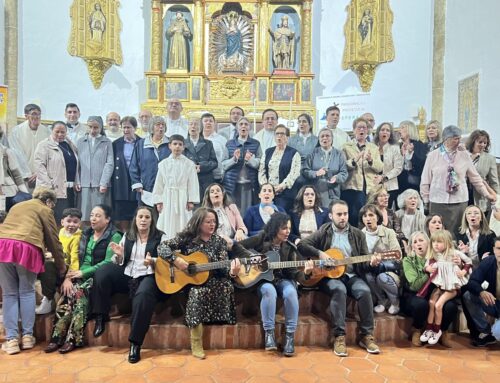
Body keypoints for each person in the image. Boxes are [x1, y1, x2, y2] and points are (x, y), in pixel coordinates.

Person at [157, 207, 250, 358]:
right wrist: (177, 260)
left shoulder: (219, 241)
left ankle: (214, 319)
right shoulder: (187, 239)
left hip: (214, 279)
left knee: (226, 285)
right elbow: (161, 247)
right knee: (197, 292)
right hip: (192, 282)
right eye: (208, 221)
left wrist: (232, 272)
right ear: (199, 222)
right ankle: (196, 342)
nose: (212, 224)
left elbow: (223, 269)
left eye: (214, 221)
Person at [298, 200, 381, 356]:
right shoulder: (324, 230)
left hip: (352, 275)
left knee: (364, 291)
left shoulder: (358, 234)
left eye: (346, 214)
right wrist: (320, 253)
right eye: (339, 214)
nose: (343, 217)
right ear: (331, 215)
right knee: (339, 289)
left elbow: (363, 263)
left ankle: (367, 335)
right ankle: (339, 336)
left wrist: (372, 263)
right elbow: (302, 245)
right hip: (330, 276)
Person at [90, 206, 166, 363]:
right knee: (102, 273)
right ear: (135, 219)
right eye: (140, 217)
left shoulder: (160, 237)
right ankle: (101, 316)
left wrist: (153, 261)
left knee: (143, 295)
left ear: (152, 220)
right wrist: (118, 255)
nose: (143, 220)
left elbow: (166, 261)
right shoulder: (128, 235)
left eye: (147, 217)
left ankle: (135, 343)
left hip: (149, 274)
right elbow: (119, 261)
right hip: (128, 273)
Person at [44, 204, 121, 354]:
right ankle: (56, 338)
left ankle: (73, 339)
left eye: (98, 216)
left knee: (79, 295)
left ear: (107, 219)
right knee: (66, 295)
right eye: (92, 215)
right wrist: (68, 278)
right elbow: (75, 258)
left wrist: (83, 274)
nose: (93, 218)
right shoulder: (85, 234)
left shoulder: (114, 235)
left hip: (98, 276)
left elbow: (108, 262)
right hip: (77, 272)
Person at [0, 188, 67, 355]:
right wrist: (61, 266)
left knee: (9, 294)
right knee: (27, 292)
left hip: (3, 245)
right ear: (50, 202)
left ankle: (12, 340)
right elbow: (53, 239)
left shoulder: (17, 207)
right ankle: (28, 337)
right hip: (26, 248)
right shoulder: (45, 209)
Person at [240, 213, 311, 356]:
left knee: (291, 292)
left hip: (282, 279)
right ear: (274, 228)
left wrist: (307, 273)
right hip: (263, 280)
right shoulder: (261, 238)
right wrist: (253, 259)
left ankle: (290, 337)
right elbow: (238, 247)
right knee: (269, 291)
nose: (287, 232)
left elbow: (293, 273)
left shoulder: (289, 247)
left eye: (289, 228)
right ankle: (269, 334)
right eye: (284, 228)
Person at [421, 125, 496, 237]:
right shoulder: (433, 155)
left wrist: (487, 194)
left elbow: (475, 178)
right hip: (438, 200)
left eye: (459, 138)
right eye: (456, 138)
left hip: (459, 201)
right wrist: (426, 201)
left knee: (458, 233)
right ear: (447, 139)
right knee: (440, 234)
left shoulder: (464, 155)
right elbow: (425, 180)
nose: (459, 141)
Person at [401, 231, 458, 347]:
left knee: (451, 306)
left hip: (435, 293)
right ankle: (416, 330)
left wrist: (458, 263)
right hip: (414, 295)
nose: (418, 244)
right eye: (415, 242)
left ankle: (442, 331)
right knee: (422, 305)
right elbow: (415, 286)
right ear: (412, 247)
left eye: (421, 240)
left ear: (429, 243)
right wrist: (428, 273)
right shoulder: (408, 261)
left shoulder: (438, 258)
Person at [419, 230, 472, 345]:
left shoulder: (454, 253)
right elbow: (426, 266)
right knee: (431, 302)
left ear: (447, 243)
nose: (435, 245)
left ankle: (437, 330)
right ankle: (429, 328)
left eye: (439, 242)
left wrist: (463, 271)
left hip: (452, 287)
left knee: (438, 305)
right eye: (433, 242)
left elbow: (468, 262)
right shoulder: (435, 255)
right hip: (440, 285)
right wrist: (427, 269)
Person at [36, 207, 83, 316]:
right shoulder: (61, 232)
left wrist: (69, 278)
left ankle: (48, 299)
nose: (71, 224)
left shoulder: (78, 237)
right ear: (62, 222)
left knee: (48, 266)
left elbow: (75, 260)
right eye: (68, 221)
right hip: (59, 264)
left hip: (70, 269)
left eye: (75, 222)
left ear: (80, 223)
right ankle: (47, 298)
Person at [153, 134, 199, 238]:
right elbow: (159, 183)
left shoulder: (189, 164)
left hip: (183, 197)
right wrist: (158, 201)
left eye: (180, 144)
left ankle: (183, 245)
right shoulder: (163, 164)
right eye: (175, 144)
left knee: (183, 222)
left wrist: (191, 200)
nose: (177, 146)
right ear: (170, 146)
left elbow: (193, 183)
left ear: (183, 147)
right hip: (167, 197)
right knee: (166, 222)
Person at [359, 204, 401, 314]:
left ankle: (394, 302)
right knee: (367, 276)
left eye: (371, 215)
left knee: (382, 277)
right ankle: (382, 301)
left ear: (377, 217)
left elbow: (398, 255)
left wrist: (381, 260)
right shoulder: (359, 235)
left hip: (388, 270)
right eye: (364, 216)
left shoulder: (388, 232)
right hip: (369, 268)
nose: (368, 218)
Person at [342, 117, 383, 226]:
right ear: (354, 130)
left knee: (369, 216)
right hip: (353, 187)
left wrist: (370, 161)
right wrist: (355, 160)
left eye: (364, 128)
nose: (362, 130)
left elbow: (379, 167)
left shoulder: (373, 148)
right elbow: (343, 166)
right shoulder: (346, 147)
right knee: (355, 217)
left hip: (370, 188)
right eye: (359, 127)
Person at [34, 121, 79, 221]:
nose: (60, 134)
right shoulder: (44, 145)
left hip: (70, 190)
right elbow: (39, 167)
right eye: (57, 132)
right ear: (51, 131)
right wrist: (49, 186)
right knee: (56, 220)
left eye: (63, 132)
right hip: (54, 189)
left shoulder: (69, 145)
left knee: (68, 219)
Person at [462, 236, 500, 347]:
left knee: (498, 333)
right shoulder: (488, 262)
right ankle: (486, 331)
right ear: (494, 250)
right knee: (468, 295)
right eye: (499, 248)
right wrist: (481, 292)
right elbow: (472, 281)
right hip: (494, 303)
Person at [76, 116, 114, 223]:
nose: (93, 130)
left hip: (101, 185)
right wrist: (77, 181)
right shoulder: (80, 142)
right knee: (85, 216)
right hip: (84, 184)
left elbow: (109, 163)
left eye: (96, 127)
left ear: (101, 128)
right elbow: (77, 163)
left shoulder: (106, 142)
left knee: (100, 215)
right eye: (90, 127)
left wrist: (104, 182)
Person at [222, 116, 261, 213]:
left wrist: (251, 160)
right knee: (232, 212)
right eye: (241, 124)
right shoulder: (229, 144)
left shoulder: (256, 144)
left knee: (247, 212)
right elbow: (223, 164)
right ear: (237, 128)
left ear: (249, 127)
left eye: (246, 124)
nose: (243, 126)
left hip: (250, 185)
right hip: (232, 185)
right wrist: (234, 159)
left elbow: (260, 163)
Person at [258, 124, 301, 211]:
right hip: (268, 194)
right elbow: (261, 170)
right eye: (277, 134)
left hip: (285, 194)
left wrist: (281, 186)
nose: (279, 136)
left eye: (282, 134)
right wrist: (266, 187)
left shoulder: (294, 153)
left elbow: (294, 173)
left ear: (287, 137)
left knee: (281, 218)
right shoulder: (268, 151)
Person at [129, 116, 171, 205]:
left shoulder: (170, 143)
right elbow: (133, 165)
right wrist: (137, 184)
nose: (161, 127)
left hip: (167, 188)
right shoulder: (141, 144)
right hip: (145, 189)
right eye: (158, 125)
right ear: (152, 127)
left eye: (163, 125)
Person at [303, 128, 348, 206]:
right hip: (316, 192)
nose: (325, 138)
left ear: (332, 138)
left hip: (333, 192)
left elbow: (344, 172)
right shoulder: (312, 153)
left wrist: (337, 177)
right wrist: (316, 173)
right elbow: (304, 170)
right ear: (319, 139)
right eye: (322, 136)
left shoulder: (339, 154)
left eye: (327, 136)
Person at [8, 103, 51, 184]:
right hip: (23, 177)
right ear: (26, 116)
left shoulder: (47, 132)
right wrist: (27, 174)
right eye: (33, 114)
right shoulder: (16, 132)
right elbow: (17, 155)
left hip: (43, 176)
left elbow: (49, 155)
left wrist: (38, 172)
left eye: (39, 114)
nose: (37, 116)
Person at [111, 116, 140, 232]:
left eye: (129, 127)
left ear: (135, 128)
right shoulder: (116, 143)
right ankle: (124, 235)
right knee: (121, 213)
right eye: (124, 127)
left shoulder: (142, 143)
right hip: (121, 182)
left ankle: (134, 235)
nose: (126, 130)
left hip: (136, 181)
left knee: (135, 211)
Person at [184, 117, 218, 204]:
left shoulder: (208, 144)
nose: (193, 127)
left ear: (200, 128)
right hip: (188, 181)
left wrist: (201, 166)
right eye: (191, 124)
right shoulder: (182, 143)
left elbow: (214, 163)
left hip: (205, 181)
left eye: (196, 124)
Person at [466, 130, 499, 214]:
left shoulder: (489, 159)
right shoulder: (463, 155)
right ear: (473, 141)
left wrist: (497, 197)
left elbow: (494, 181)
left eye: (485, 143)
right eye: (480, 142)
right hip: (463, 193)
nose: (483, 145)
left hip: (480, 196)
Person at [373, 122, 403, 209]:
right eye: (382, 130)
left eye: (388, 130)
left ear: (390, 134)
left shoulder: (395, 148)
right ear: (378, 132)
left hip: (390, 185)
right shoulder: (372, 147)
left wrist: (384, 177)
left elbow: (398, 168)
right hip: (374, 186)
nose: (385, 132)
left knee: (387, 211)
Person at [0, 136, 30, 211]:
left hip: (8, 192)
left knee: (7, 218)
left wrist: (24, 193)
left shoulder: (6, 152)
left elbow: (16, 174)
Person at [397, 120, 427, 195]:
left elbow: (421, 163)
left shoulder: (418, 145)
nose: (399, 130)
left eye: (402, 128)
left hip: (414, 183)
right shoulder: (398, 146)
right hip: (400, 183)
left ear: (410, 129)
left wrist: (410, 154)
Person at [200, 113, 228, 183]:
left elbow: (226, 158)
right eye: (206, 121)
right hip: (201, 176)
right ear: (201, 124)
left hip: (218, 177)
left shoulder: (222, 139)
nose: (208, 123)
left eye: (211, 121)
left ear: (214, 123)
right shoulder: (197, 139)